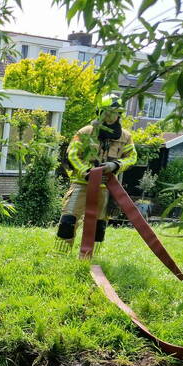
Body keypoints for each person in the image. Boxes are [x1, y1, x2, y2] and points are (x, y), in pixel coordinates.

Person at [55, 94, 138, 252]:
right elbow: (72, 154)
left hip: (106, 187)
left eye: (115, 113)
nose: (110, 116)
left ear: (119, 114)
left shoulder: (126, 137)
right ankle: (60, 254)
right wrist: (86, 172)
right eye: (107, 112)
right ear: (99, 112)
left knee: (99, 225)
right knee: (68, 219)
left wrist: (116, 165)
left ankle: (90, 256)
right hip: (81, 183)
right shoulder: (86, 132)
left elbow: (132, 157)